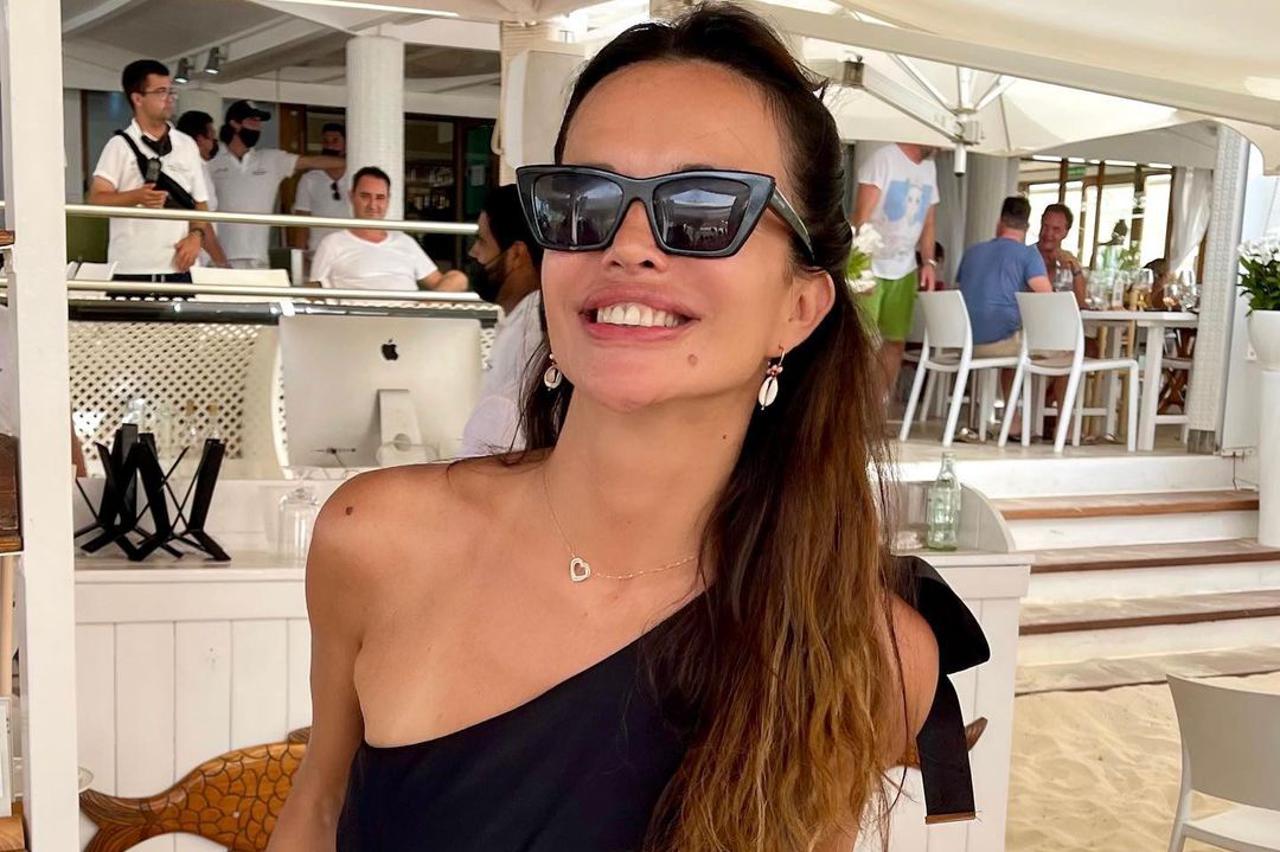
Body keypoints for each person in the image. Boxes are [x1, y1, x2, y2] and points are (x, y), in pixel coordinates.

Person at [269, 7, 987, 852]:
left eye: (705, 208)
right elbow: (317, 810)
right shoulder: (378, 542)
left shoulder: (865, 651)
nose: (629, 245)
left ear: (798, 307)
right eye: (584, 200)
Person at [88, 60, 215, 282]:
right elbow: (97, 200)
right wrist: (136, 197)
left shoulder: (186, 145)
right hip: (131, 268)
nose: (169, 98)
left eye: (170, 91)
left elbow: (200, 203)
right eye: (160, 92)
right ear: (138, 99)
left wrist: (196, 236)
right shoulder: (119, 145)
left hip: (179, 268)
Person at [459, 185, 545, 457]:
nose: (474, 253)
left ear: (516, 254)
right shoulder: (525, 317)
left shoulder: (530, 334)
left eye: (482, 241)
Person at [207, 100, 344, 269]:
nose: (258, 126)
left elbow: (312, 161)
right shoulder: (211, 162)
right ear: (234, 123)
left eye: (259, 122)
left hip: (258, 260)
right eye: (252, 121)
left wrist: (356, 161)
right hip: (217, 260)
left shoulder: (271, 159)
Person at [956, 195, 1052, 436]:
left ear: (1000, 222)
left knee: (1015, 344)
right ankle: (1062, 427)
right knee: (1067, 352)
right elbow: (1048, 299)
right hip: (998, 344)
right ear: (1027, 227)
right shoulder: (1028, 255)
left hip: (964, 342)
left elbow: (961, 291)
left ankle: (1014, 421)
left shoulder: (972, 252)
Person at [853, 142, 939, 398]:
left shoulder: (930, 168)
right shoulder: (884, 159)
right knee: (863, 340)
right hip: (870, 262)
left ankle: (879, 403)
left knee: (895, 340)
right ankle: (854, 404)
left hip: (904, 266)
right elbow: (861, 219)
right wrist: (862, 269)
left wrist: (929, 262)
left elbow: (929, 222)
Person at [308, 166, 467, 292]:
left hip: (408, 320)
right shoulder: (333, 243)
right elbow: (314, 292)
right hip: (359, 321)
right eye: (365, 196)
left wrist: (430, 304)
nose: (373, 205)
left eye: (380, 198)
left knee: (458, 278)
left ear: (388, 200)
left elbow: (438, 281)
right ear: (351, 196)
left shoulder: (405, 242)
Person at [174, 109, 229, 268]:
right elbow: (204, 222)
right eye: (212, 136)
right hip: (193, 259)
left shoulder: (200, 167)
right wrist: (222, 262)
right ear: (200, 139)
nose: (215, 142)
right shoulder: (195, 170)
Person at [290, 122, 350, 256]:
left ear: (346, 144)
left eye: (335, 140)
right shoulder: (309, 179)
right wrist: (299, 258)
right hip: (319, 251)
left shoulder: (357, 176)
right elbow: (302, 222)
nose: (330, 145)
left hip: (350, 252)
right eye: (326, 141)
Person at [1036, 203, 1085, 305]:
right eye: (1045, 226)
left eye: (1056, 229)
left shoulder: (1069, 261)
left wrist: (1076, 268)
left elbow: (1081, 304)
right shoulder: (1025, 256)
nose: (1048, 233)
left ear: (1066, 233)